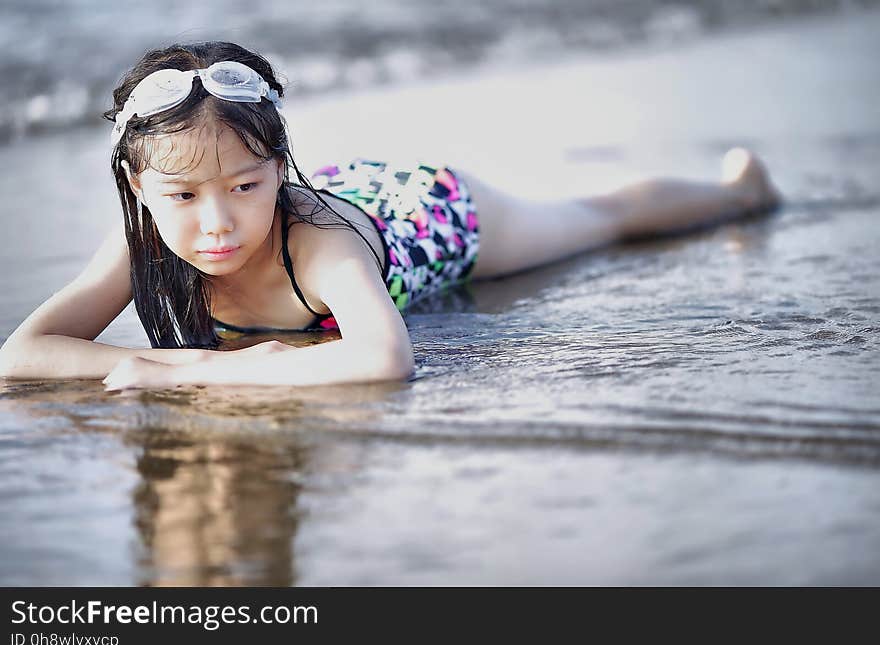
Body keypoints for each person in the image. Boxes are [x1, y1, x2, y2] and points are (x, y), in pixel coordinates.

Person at [0, 41, 780, 390]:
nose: (217, 223)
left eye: (244, 186)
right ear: (139, 189)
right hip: (345, 191)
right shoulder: (143, 241)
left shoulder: (318, 244)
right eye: (183, 197)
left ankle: (743, 192)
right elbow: (21, 356)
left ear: (276, 169)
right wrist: (191, 364)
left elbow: (383, 360)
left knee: (595, 218)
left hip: (422, 214)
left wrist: (210, 373)